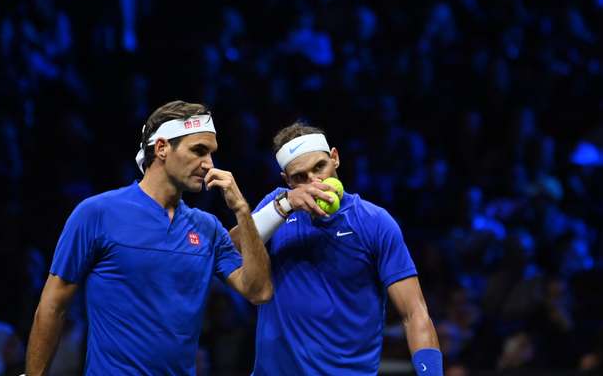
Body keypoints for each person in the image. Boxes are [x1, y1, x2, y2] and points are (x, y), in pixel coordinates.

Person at [25, 100, 272, 375]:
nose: (209, 165)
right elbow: (53, 305)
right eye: (199, 151)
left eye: (211, 153)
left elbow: (259, 291)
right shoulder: (96, 214)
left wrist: (241, 210)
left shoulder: (208, 228)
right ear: (162, 148)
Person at [230, 121, 442, 375]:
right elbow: (228, 250)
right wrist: (282, 208)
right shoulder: (275, 208)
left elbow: (415, 313)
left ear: (335, 158)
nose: (315, 182)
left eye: (320, 167)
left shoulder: (374, 222)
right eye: (300, 177)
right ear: (287, 181)